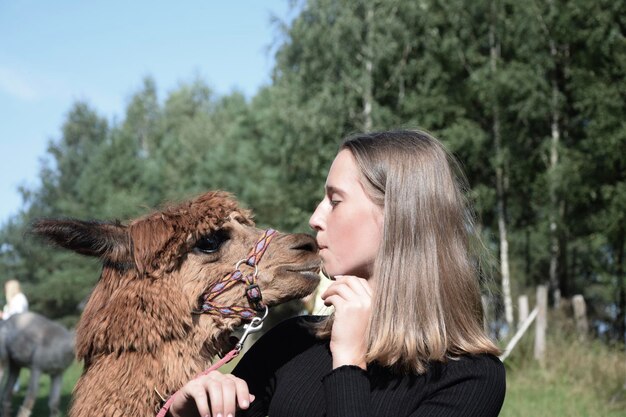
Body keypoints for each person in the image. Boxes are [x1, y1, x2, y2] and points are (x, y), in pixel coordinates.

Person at [167, 129, 506, 417]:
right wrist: (185, 412)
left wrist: (348, 364)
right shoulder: (291, 342)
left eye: (335, 200)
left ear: (399, 217)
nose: (316, 217)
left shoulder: (471, 379)